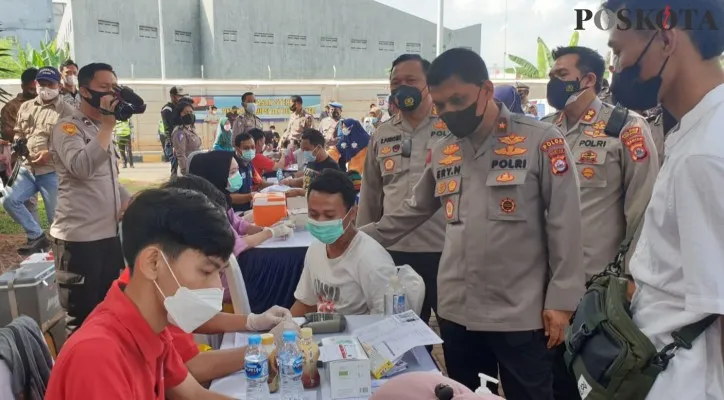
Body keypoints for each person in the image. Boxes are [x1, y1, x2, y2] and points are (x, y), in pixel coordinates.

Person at [360, 48, 585, 397]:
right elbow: (412, 210)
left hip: (519, 313)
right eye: (440, 105)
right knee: (463, 394)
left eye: (458, 100)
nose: (449, 112)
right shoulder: (446, 149)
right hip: (457, 311)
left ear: (486, 90)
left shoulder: (540, 140)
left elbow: (565, 224)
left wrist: (561, 301)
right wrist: (356, 237)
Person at [604, 0, 724, 398]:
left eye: (618, 51)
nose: (614, 67)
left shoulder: (706, 152)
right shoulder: (697, 131)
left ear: (667, 39)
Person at [541, 45, 659, 398]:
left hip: (597, 288)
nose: (553, 82)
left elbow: (643, 208)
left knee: (591, 384)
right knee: (547, 381)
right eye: (551, 76)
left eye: (561, 76)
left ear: (588, 79)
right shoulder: (544, 131)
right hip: (544, 283)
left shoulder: (625, 128)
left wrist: (629, 279)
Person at [44, 188, 237, 399]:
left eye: (219, 273)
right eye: (207, 271)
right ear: (153, 263)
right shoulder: (98, 356)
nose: (218, 288)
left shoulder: (154, 328)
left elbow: (194, 394)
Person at [357, 53, 446, 329]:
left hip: (444, 250)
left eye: (410, 80)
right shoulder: (383, 134)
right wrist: (363, 242)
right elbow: (371, 193)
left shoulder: (452, 129)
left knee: (454, 333)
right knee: (398, 333)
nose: (401, 88)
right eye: (395, 83)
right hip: (393, 250)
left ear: (429, 84)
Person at [49, 62, 131, 335]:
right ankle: (77, 376)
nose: (112, 93)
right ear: (85, 91)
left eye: (114, 87)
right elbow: (81, 168)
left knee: (109, 314)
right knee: (82, 322)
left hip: (108, 238)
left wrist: (128, 199)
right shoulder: (67, 128)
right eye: (104, 87)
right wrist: (108, 127)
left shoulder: (100, 129)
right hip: (79, 241)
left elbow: (108, 179)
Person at [290, 169, 396, 316]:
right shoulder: (316, 249)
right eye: (313, 214)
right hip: (323, 334)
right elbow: (305, 303)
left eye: (329, 215)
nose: (320, 221)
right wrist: (284, 327)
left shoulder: (372, 261)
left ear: (352, 213)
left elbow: (388, 322)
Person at [3, 66, 74, 255]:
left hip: (52, 171)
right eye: (41, 84)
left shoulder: (67, 111)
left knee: (56, 221)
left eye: (49, 84)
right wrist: (18, 142)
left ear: (58, 85)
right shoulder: (26, 107)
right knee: (9, 200)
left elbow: (70, 143)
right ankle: (36, 236)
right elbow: (19, 130)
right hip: (27, 169)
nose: (45, 88)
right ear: (36, 84)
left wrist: (50, 153)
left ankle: (63, 258)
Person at [0, 65, 41, 244]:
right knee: (25, 202)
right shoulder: (11, 108)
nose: (34, 92)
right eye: (31, 88)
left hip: (49, 163)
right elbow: (12, 135)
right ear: (23, 86)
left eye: (36, 87)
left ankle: (42, 239)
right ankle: (36, 237)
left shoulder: (49, 105)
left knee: (54, 204)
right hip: (21, 163)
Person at [189, 149, 266, 214]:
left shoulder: (221, 199)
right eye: (232, 172)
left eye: (237, 170)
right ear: (217, 175)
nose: (237, 176)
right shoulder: (207, 209)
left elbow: (236, 223)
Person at [281, 128, 340, 195]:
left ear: (318, 148)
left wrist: (299, 192)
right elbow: (308, 178)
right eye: (302, 149)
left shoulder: (331, 168)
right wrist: (290, 181)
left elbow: (325, 195)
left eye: (306, 149)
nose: (304, 152)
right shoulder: (312, 161)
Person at [171, 102, 202, 176]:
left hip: (195, 168)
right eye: (186, 112)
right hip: (188, 171)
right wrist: (186, 173)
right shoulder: (179, 132)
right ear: (180, 114)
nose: (189, 114)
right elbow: (181, 154)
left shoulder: (190, 129)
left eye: (191, 112)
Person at [161, 86, 188, 171]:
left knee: (186, 165)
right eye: (179, 96)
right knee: (175, 165)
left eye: (182, 96)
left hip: (184, 139)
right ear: (172, 96)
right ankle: (174, 180)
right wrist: (172, 144)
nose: (181, 98)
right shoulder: (167, 109)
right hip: (173, 141)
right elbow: (169, 127)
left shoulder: (182, 108)